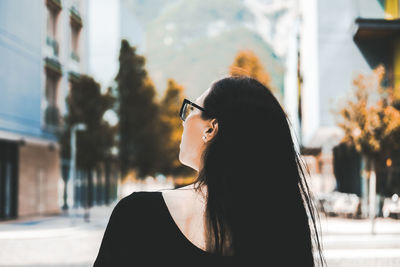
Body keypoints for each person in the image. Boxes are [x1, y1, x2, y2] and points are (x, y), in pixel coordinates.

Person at [93, 76, 325, 266]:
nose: (183, 121)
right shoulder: (282, 229)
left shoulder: (137, 216)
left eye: (191, 109)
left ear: (211, 128)